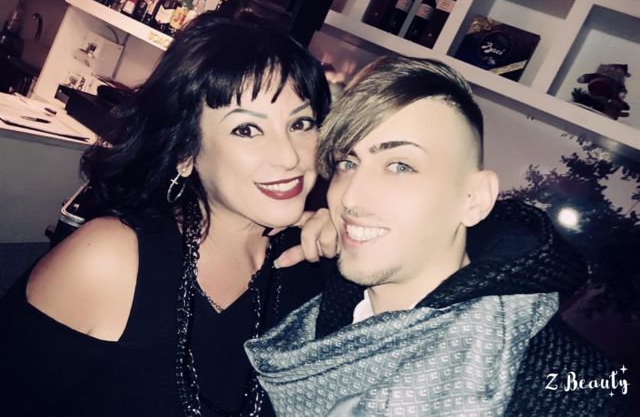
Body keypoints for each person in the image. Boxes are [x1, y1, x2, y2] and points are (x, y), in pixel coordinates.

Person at [246, 56, 630, 416]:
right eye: (348, 162)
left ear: (474, 199)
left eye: (400, 165)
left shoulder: (574, 392)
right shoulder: (307, 291)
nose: (350, 197)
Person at [0, 12, 332, 416]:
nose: (290, 156)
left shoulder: (313, 266)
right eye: (246, 129)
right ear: (186, 152)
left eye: (301, 123)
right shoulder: (109, 261)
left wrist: (354, 252)